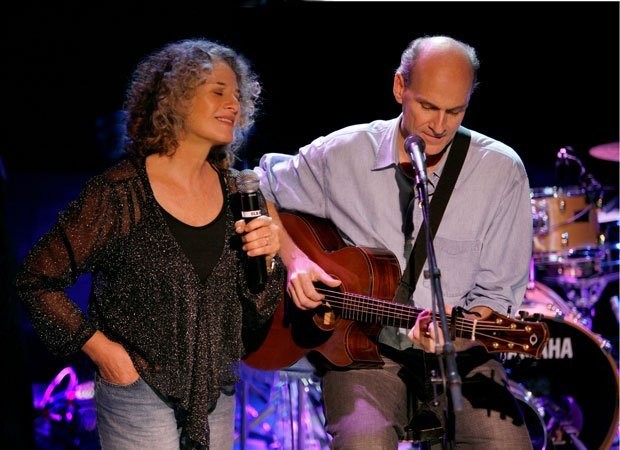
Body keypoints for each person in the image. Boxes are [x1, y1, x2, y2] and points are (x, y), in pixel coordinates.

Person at [256, 35, 534, 449]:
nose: (439, 125)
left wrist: (457, 331)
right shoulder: (342, 154)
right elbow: (253, 190)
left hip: (461, 356)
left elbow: (495, 294)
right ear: (400, 88)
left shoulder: (501, 172)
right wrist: (296, 261)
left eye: (454, 111)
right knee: (362, 442)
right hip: (363, 351)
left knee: (503, 444)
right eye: (428, 106)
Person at [15, 38, 284, 450]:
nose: (234, 104)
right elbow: (36, 280)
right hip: (138, 391)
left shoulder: (238, 194)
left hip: (216, 392)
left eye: (237, 95)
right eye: (218, 92)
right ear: (174, 99)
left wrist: (267, 260)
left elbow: (255, 314)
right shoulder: (120, 193)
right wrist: (104, 352)